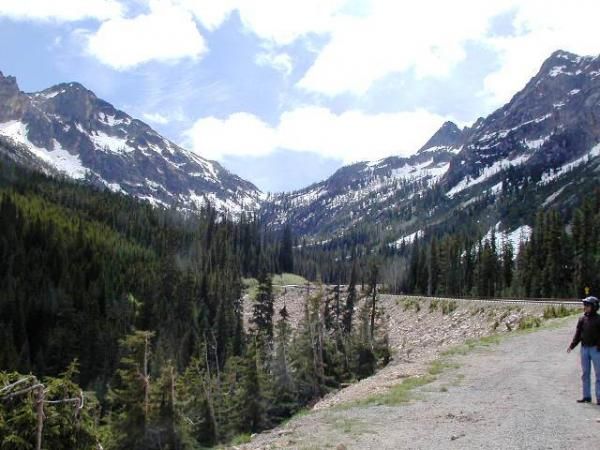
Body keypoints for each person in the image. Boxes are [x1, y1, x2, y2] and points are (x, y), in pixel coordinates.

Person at [567, 296, 600, 404]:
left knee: (598, 374)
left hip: (596, 350)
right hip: (584, 349)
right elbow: (578, 334)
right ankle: (586, 396)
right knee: (585, 373)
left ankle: (599, 397)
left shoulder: (599, 319)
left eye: (587, 305)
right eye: (584, 305)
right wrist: (572, 345)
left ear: (594, 307)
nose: (585, 307)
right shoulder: (582, 319)